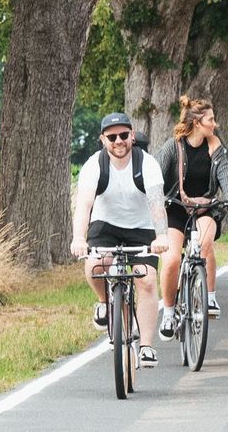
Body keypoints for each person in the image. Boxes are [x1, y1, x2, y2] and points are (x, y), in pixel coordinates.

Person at [70, 112, 170, 368]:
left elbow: (157, 204)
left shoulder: (147, 164)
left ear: (132, 136)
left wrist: (161, 235)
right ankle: (105, 303)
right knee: (95, 266)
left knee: (145, 279)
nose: (118, 141)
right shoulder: (94, 165)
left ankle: (146, 346)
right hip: (106, 226)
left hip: (142, 227)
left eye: (124, 135)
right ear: (103, 139)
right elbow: (84, 204)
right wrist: (79, 238)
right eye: (112, 137)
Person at [154, 96, 228, 340]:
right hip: (176, 207)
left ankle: (209, 298)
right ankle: (169, 313)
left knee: (204, 244)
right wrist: (152, 200)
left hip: (205, 208)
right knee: (171, 259)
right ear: (196, 122)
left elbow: (225, 174)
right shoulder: (173, 147)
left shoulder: (216, 146)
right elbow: (156, 178)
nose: (215, 124)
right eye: (211, 120)